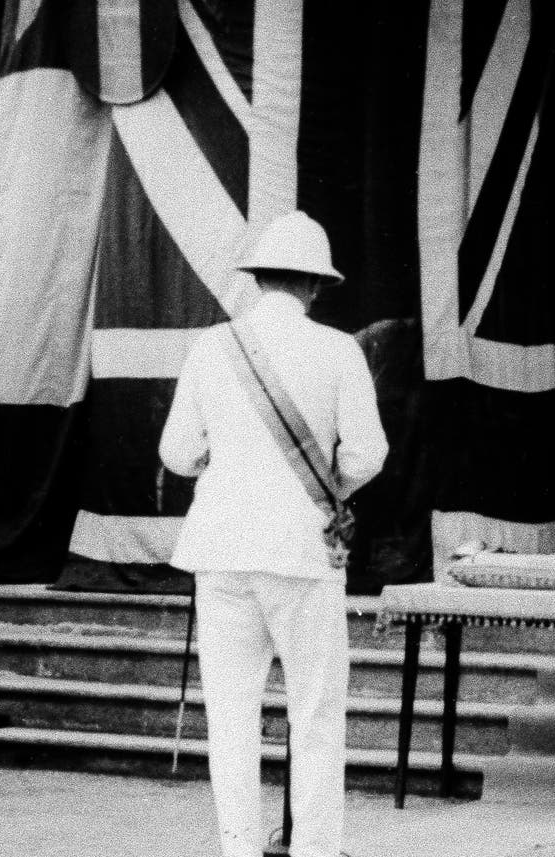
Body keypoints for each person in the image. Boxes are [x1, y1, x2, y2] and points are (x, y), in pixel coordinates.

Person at [158, 211, 386, 857]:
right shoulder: (340, 349)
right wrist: (325, 486)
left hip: (222, 550)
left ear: (256, 279)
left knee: (230, 717)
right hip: (301, 551)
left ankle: (239, 848)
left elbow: (177, 451)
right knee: (314, 712)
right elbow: (368, 455)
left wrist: (221, 465)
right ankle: (314, 849)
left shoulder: (210, 346)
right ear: (315, 285)